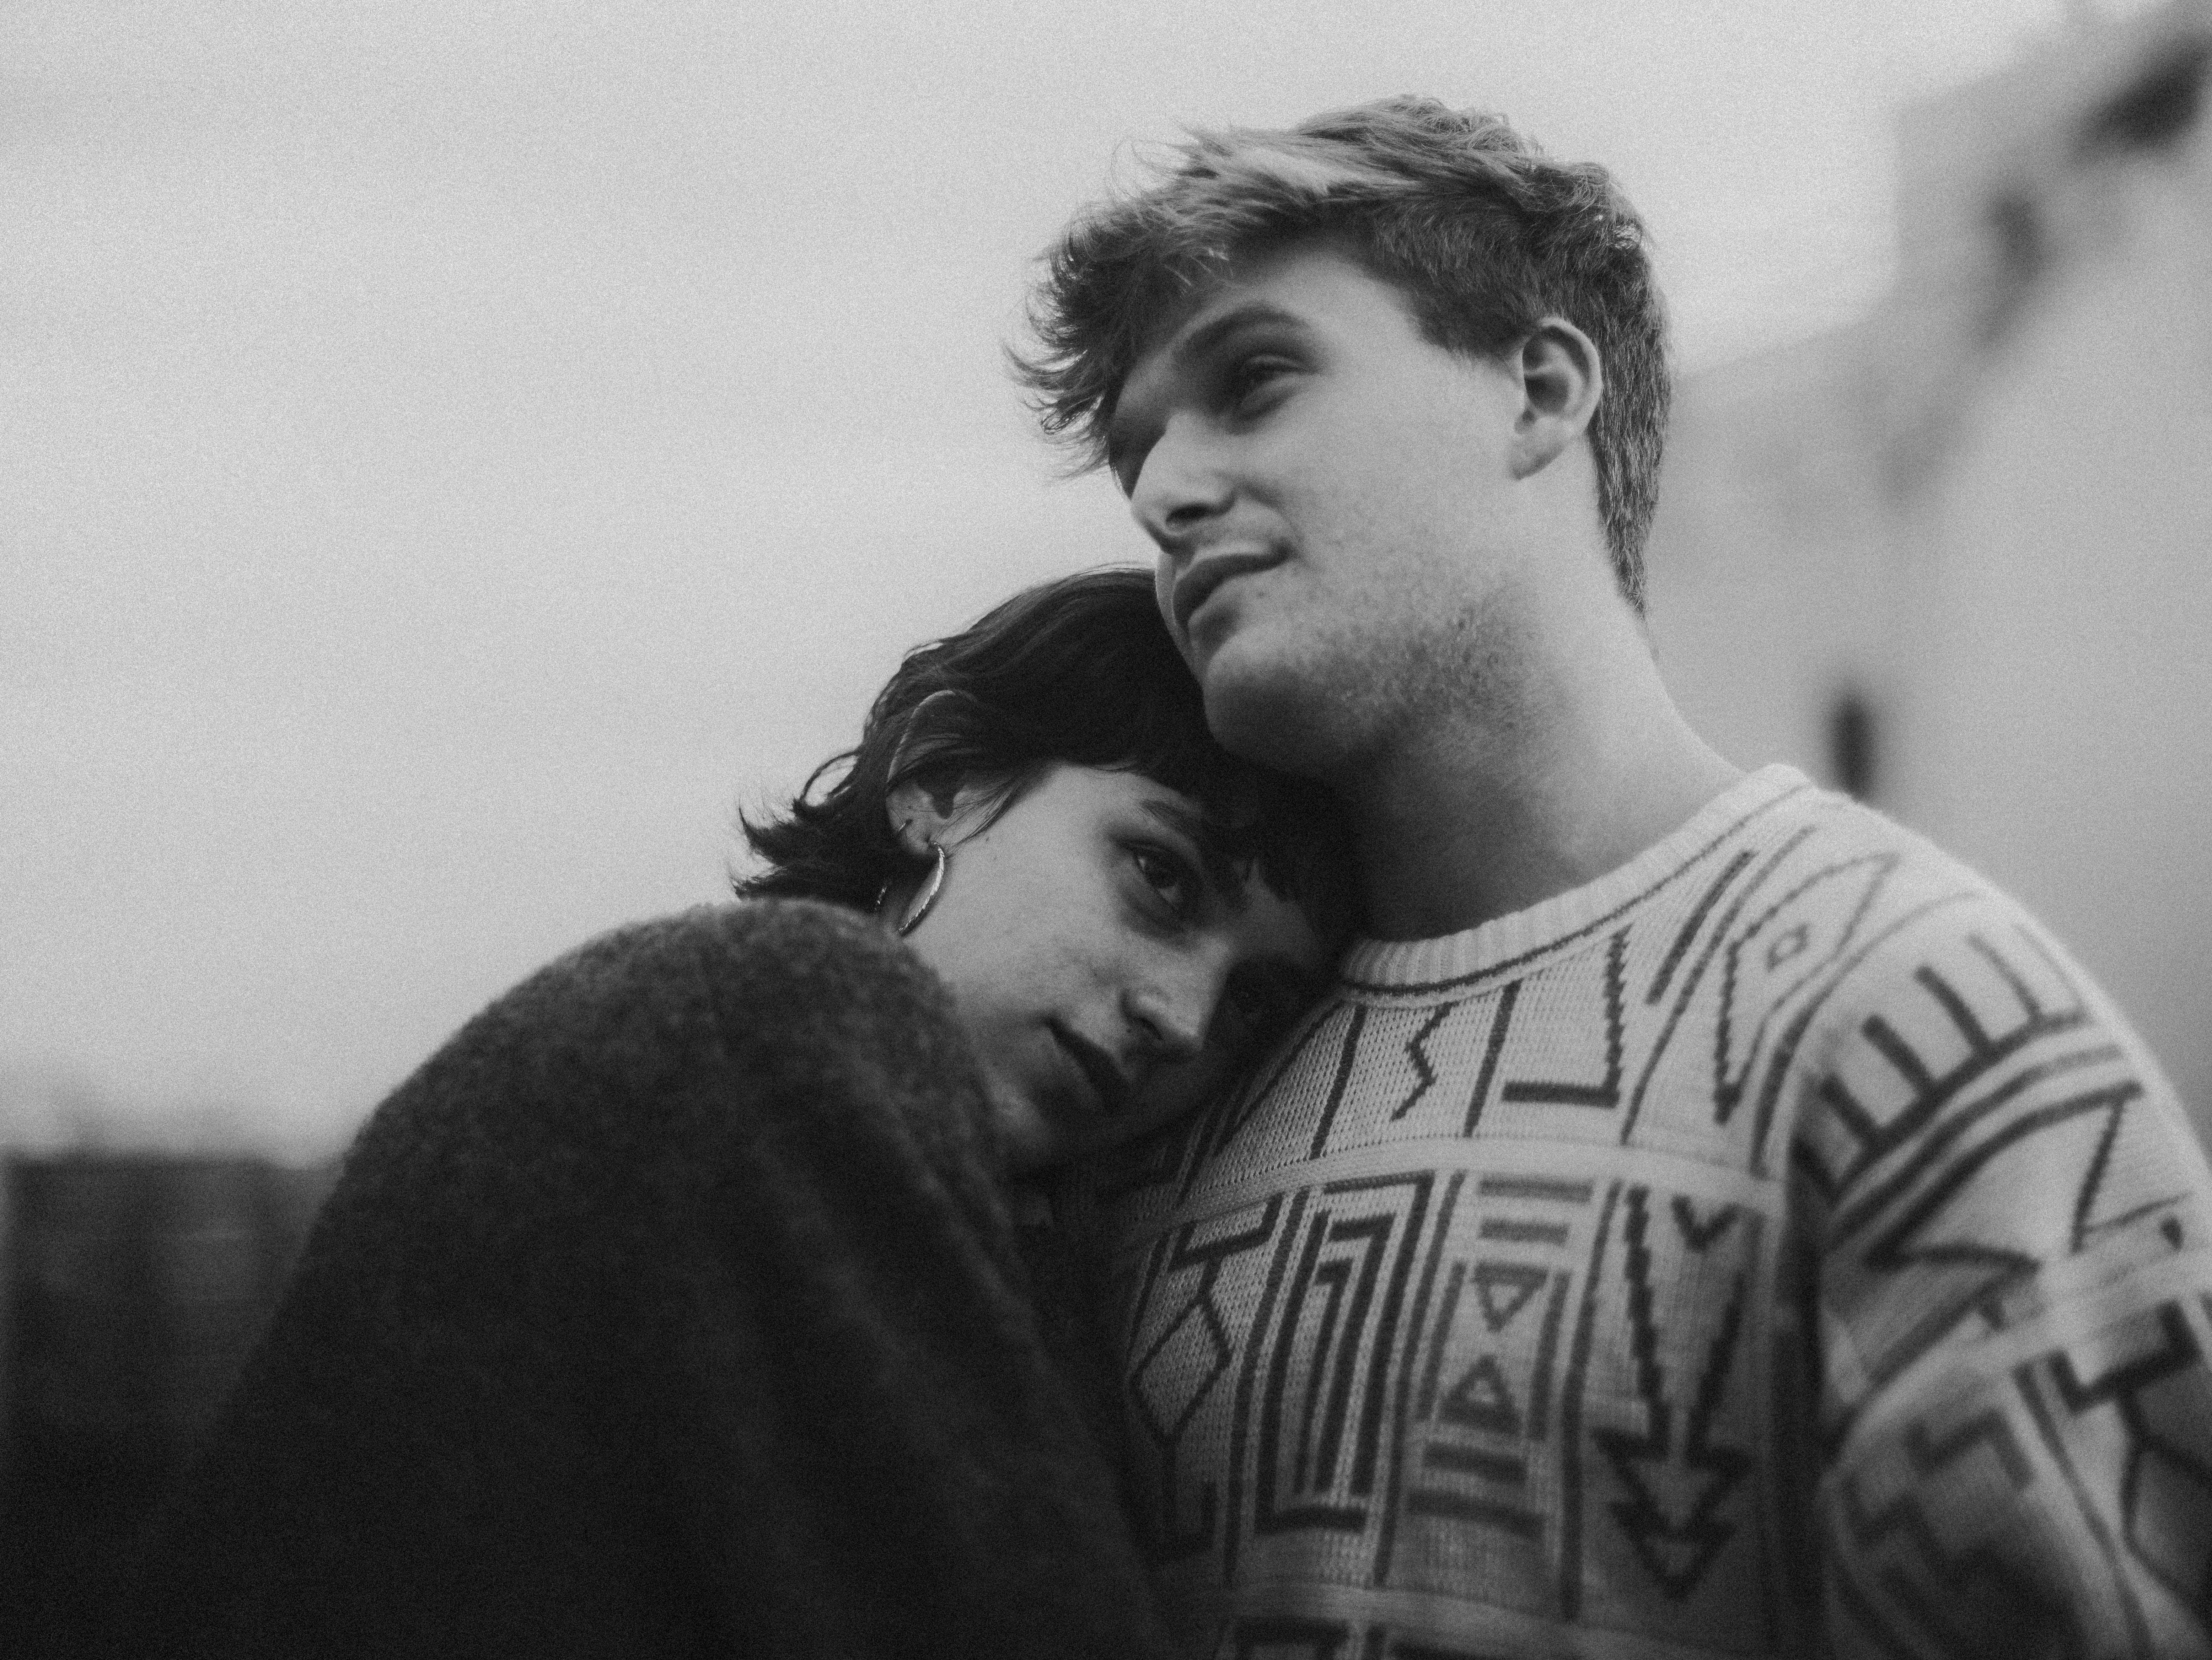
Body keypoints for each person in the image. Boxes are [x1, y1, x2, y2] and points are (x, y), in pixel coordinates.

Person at [1019, 97, 2212, 1657]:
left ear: (1538, 389)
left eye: (1253, 381)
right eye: (1137, 453)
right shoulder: (1168, 1070)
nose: (1165, 492)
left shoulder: (1915, 1027)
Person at [115, 568, 1354, 1659]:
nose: (1183, 1020)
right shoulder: (777, 1019)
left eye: (1251, 1003)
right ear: (941, 786)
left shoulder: (914, 1155)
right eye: (1161, 876)